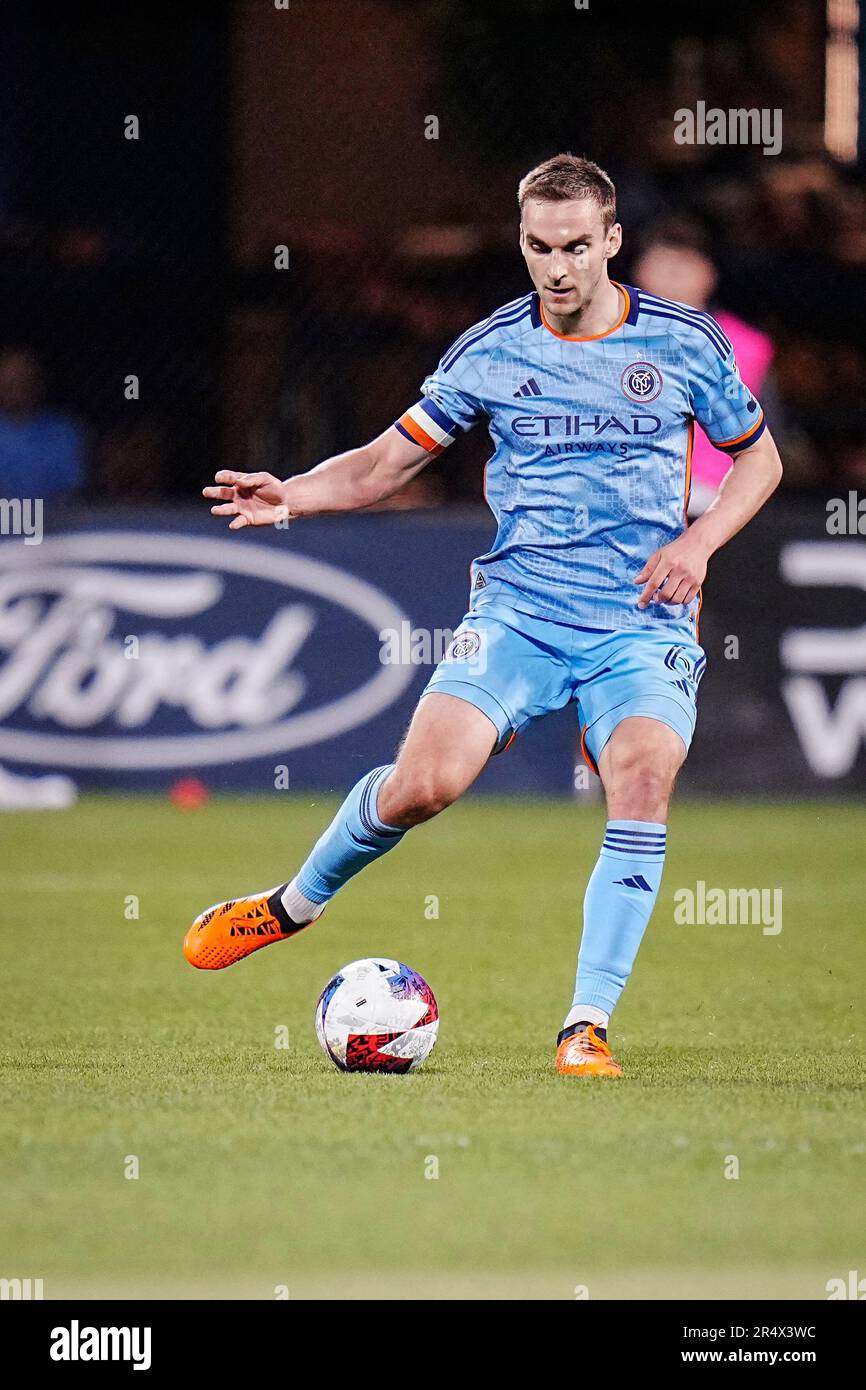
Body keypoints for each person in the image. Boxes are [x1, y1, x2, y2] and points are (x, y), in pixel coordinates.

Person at [183, 154, 782, 1078]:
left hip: (641, 621)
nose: (559, 267)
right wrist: (292, 494)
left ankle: (585, 1025)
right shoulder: (494, 350)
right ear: (522, 242)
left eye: (579, 246)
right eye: (541, 247)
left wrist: (698, 547)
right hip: (519, 614)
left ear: (613, 242)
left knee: (642, 774)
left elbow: (760, 461)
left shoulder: (684, 343)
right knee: (424, 787)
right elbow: (386, 465)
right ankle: (292, 905)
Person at [632, 222, 775, 515]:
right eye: (662, 262)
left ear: (708, 273)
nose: (673, 274)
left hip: (709, 494)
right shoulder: (606, 337)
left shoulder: (745, 344)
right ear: (640, 270)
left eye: (685, 263)